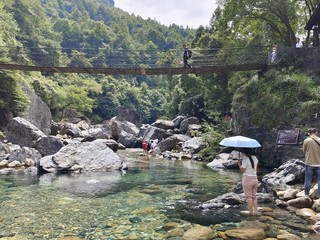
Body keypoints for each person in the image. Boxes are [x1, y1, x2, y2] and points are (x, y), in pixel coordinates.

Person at [237, 148, 259, 215]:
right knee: (254, 196)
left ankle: (250, 212)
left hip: (247, 179)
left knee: (248, 197)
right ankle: (255, 211)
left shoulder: (245, 160)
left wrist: (239, 164)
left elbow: (243, 170)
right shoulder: (255, 158)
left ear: (245, 153)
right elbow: (256, 168)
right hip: (255, 178)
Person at [302, 128, 320, 198]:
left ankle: (306, 195)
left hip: (309, 163)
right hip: (319, 163)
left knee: (308, 179)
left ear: (309, 133)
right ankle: (319, 195)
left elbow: (304, 151)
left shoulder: (306, 140)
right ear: (316, 132)